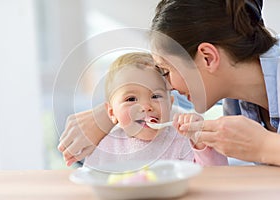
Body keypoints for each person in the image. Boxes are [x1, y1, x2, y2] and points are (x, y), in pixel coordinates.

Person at [58, 0, 280, 166]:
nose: (169, 85)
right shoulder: (235, 98)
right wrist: (111, 113)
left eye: (166, 70)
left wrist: (264, 147)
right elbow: (165, 103)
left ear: (208, 58)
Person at [83, 52, 227, 168]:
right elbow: (89, 186)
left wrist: (200, 141)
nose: (146, 106)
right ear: (111, 112)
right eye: (131, 99)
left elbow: (216, 176)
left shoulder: (183, 139)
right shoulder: (106, 147)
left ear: (170, 104)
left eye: (155, 96)